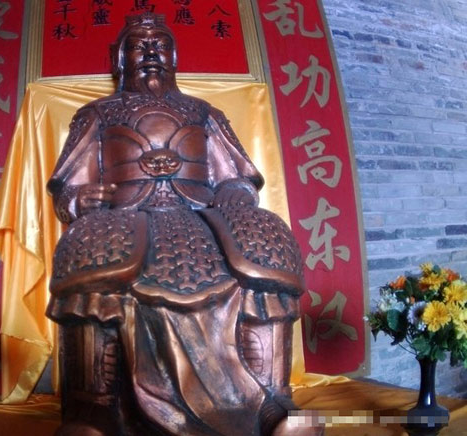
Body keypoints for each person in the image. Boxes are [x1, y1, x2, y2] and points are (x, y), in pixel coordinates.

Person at [46, 13, 319, 436]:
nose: (150, 52)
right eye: (138, 45)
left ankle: (270, 404)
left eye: (159, 44)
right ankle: (96, 410)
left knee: (268, 246)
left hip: (201, 216)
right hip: (124, 219)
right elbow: (67, 186)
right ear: (119, 58)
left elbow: (238, 175)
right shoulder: (97, 114)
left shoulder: (203, 112)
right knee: (87, 255)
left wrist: (235, 192)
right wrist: (80, 199)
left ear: (174, 56)